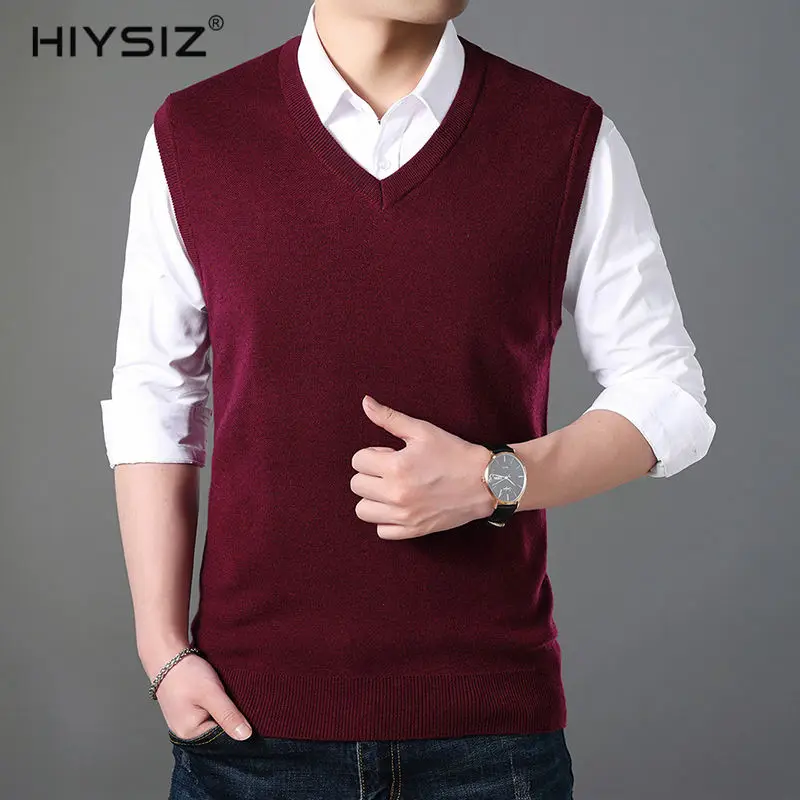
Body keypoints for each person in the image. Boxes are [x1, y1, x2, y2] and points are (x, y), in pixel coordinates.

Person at [100, 1, 716, 797]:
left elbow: (670, 394)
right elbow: (156, 394)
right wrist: (161, 647)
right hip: (251, 733)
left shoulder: (565, 137)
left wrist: (497, 478)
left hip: (489, 740)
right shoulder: (197, 133)